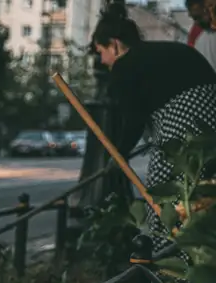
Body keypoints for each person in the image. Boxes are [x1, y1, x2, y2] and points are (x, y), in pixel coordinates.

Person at [91, 8, 216, 253]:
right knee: (204, 196)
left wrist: (118, 155)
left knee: (164, 198)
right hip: (211, 120)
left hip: (182, 123)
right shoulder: (172, 51)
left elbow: (133, 120)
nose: (103, 61)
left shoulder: (124, 67)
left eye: (101, 52)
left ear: (114, 45)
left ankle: (174, 273)